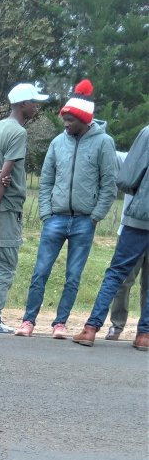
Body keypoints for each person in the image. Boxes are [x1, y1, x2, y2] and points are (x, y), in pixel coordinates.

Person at [14, 80, 117, 338]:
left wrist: (95, 217)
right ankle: (28, 321)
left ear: (83, 119)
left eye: (71, 120)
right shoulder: (58, 143)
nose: (66, 125)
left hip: (84, 221)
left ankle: (60, 323)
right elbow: (46, 179)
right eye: (65, 120)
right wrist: (46, 213)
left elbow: (109, 185)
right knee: (40, 272)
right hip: (55, 219)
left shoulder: (104, 143)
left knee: (73, 276)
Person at [0, 82, 48, 333]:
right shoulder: (18, 133)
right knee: (5, 265)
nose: (36, 106)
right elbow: (5, 177)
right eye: (34, 102)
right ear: (23, 104)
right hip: (2, 208)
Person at [73, 125, 149, 351]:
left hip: (140, 217)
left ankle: (91, 329)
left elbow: (127, 177)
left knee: (116, 273)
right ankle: (144, 334)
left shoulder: (147, 132)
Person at [105, 153, 147, 341]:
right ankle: (117, 325)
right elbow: (108, 150)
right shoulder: (130, 158)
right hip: (130, 229)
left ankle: (144, 330)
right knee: (123, 280)